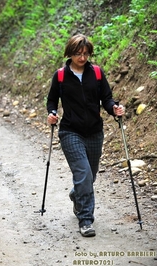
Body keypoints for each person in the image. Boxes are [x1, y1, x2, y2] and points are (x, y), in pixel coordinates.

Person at [46, 34, 125, 237]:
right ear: (70, 53)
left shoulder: (96, 73)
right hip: (70, 131)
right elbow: (52, 101)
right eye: (78, 54)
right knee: (83, 174)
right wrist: (52, 114)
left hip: (94, 132)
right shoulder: (61, 75)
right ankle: (86, 219)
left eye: (85, 53)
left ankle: (76, 194)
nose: (82, 58)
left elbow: (106, 98)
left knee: (90, 176)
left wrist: (113, 108)